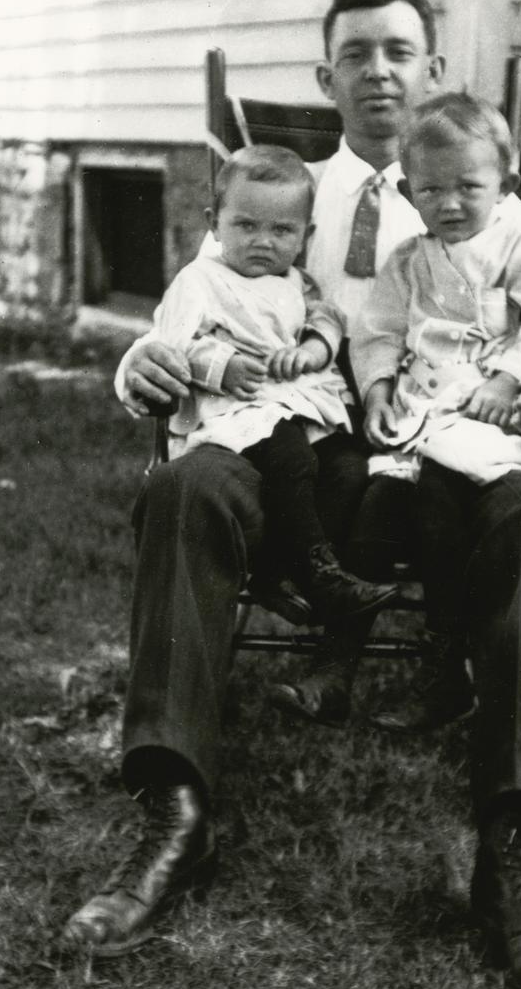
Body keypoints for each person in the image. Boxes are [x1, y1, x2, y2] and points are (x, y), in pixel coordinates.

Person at [62, 0, 521, 989]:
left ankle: (512, 851)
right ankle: (175, 815)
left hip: (442, 445)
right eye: (355, 54)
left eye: (398, 51)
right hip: (292, 437)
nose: (378, 72)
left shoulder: (479, 198)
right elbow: (190, 308)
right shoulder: (277, 194)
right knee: (185, 488)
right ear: (326, 78)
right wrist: (140, 359)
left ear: (432, 70)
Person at [350, 91, 521, 740]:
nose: (450, 204)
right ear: (408, 192)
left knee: (437, 496)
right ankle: (345, 654)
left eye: (468, 187)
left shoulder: (519, 248)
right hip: (422, 415)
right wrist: (376, 391)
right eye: (431, 190)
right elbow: (376, 332)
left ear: (505, 185)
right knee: (386, 503)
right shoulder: (409, 260)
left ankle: (444, 660)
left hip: (493, 420)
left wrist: (509, 378)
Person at [148, 140, 398, 627]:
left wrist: (313, 350)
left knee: (348, 468)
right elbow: (172, 342)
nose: (263, 241)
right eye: (246, 225)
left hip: (296, 404)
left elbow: (326, 319)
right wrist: (221, 364)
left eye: (281, 230)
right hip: (240, 407)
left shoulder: (298, 283)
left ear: (306, 236)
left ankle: (278, 571)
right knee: (292, 456)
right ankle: (318, 573)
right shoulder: (201, 281)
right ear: (213, 223)